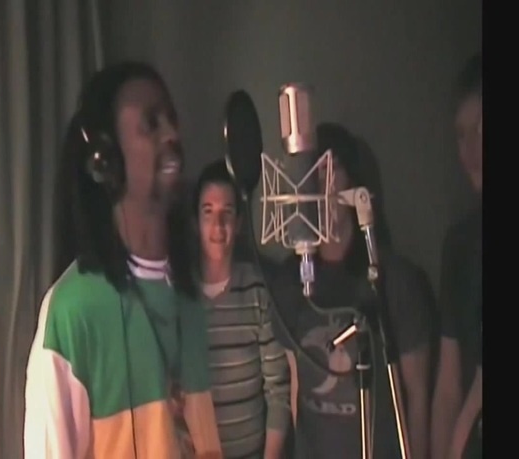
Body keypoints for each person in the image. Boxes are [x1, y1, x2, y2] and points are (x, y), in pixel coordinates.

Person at [23, 61, 222, 459]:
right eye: (151, 123)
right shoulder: (72, 311)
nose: (172, 135)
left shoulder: (189, 296)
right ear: (106, 161)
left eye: (171, 120)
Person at [269, 123, 434, 459]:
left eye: (329, 170)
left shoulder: (395, 281)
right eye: (311, 174)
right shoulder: (290, 282)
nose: (321, 185)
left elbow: (417, 396)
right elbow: (296, 383)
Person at [192, 160, 292, 459]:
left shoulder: (257, 290)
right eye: (208, 212)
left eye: (227, 213)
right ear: (196, 222)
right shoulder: (179, 294)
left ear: (238, 223)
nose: (218, 225)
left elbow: (278, 392)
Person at [430, 52, 482, 459]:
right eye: (462, 135)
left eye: (482, 129)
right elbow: (449, 387)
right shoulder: (461, 244)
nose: (471, 150)